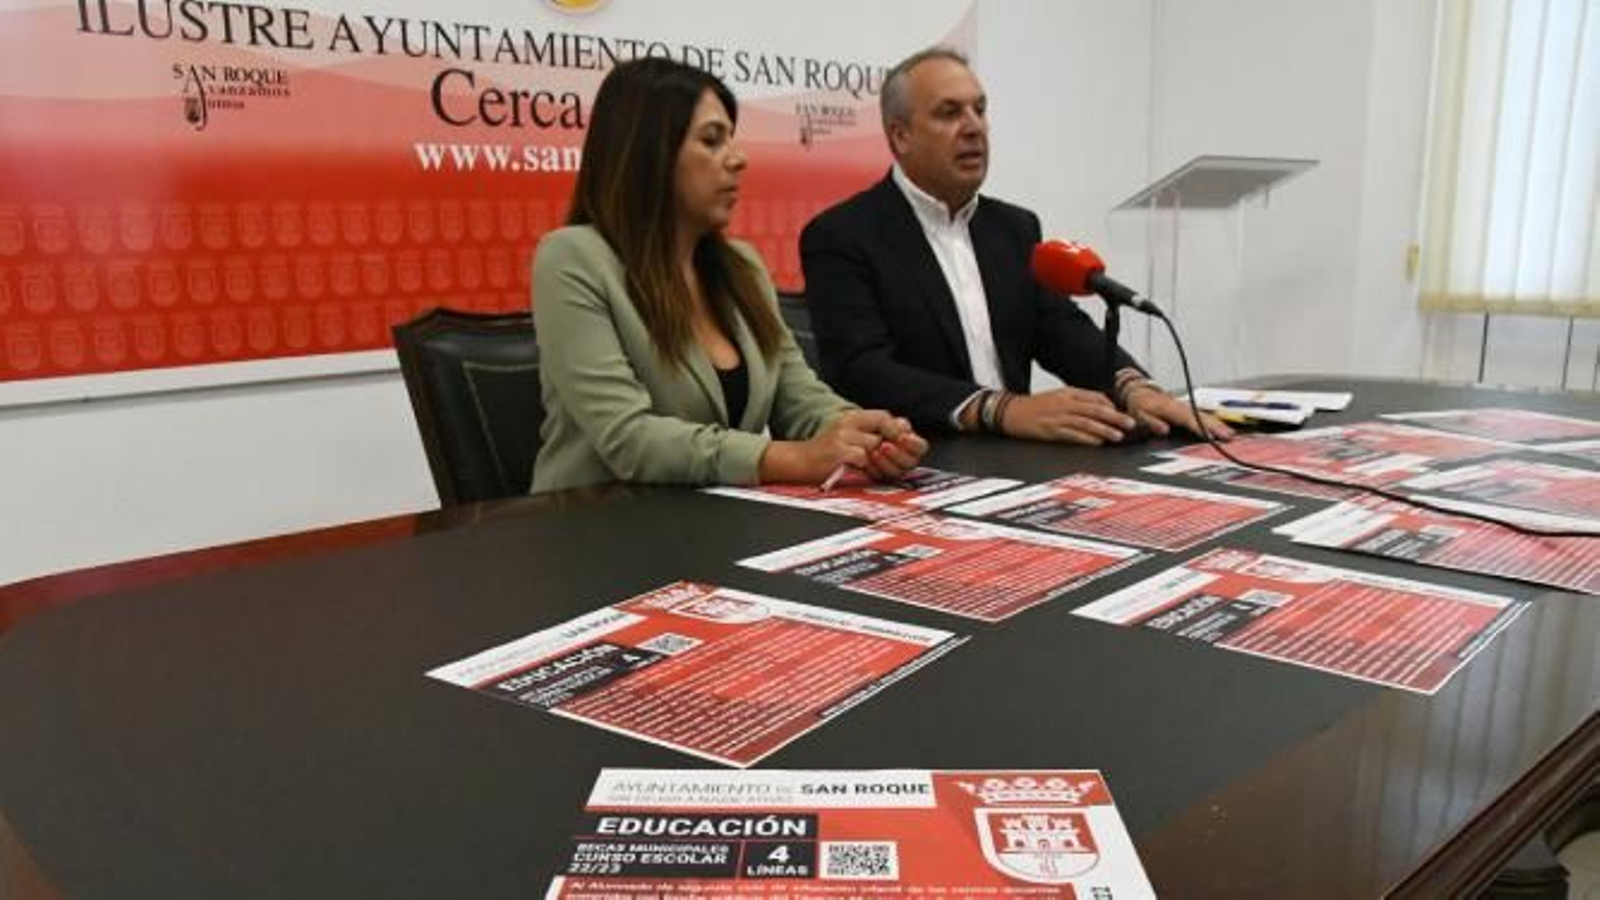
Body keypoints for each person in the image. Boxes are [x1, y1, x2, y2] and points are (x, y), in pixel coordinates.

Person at [530, 58, 926, 495]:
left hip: (710, 520)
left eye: (731, 140)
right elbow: (628, 438)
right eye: (712, 141)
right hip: (595, 527)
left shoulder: (743, 266)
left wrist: (860, 436)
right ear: (649, 153)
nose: (738, 159)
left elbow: (797, 396)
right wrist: (794, 458)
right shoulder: (571, 258)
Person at [800, 47, 1229, 445]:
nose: (973, 127)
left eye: (979, 110)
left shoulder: (1014, 227)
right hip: (916, 460)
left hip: (1016, 460)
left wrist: (1132, 385)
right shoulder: (843, 235)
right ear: (901, 136)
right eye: (949, 114)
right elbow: (861, 371)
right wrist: (998, 408)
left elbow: (1060, 328)